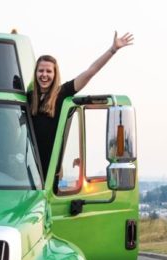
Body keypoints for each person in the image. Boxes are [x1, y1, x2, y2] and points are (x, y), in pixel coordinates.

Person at [29, 31, 134, 175]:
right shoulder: (28, 98)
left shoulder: (62, 93)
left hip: (51, 172)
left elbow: (90, 71)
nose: (44, 75)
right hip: (29, 170)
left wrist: (113, 50)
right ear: (35, 73)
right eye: (41, 71)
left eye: (49, 71)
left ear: (55, 74)